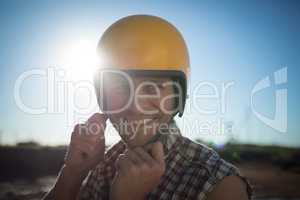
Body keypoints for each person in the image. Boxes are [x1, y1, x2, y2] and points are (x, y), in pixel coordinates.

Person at [43, 15, 252, 200]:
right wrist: (73, 173)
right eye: (118, 87)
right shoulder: (102, 164)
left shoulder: (218, 185)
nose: (134, 105)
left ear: (177, 96)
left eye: (154, 87)